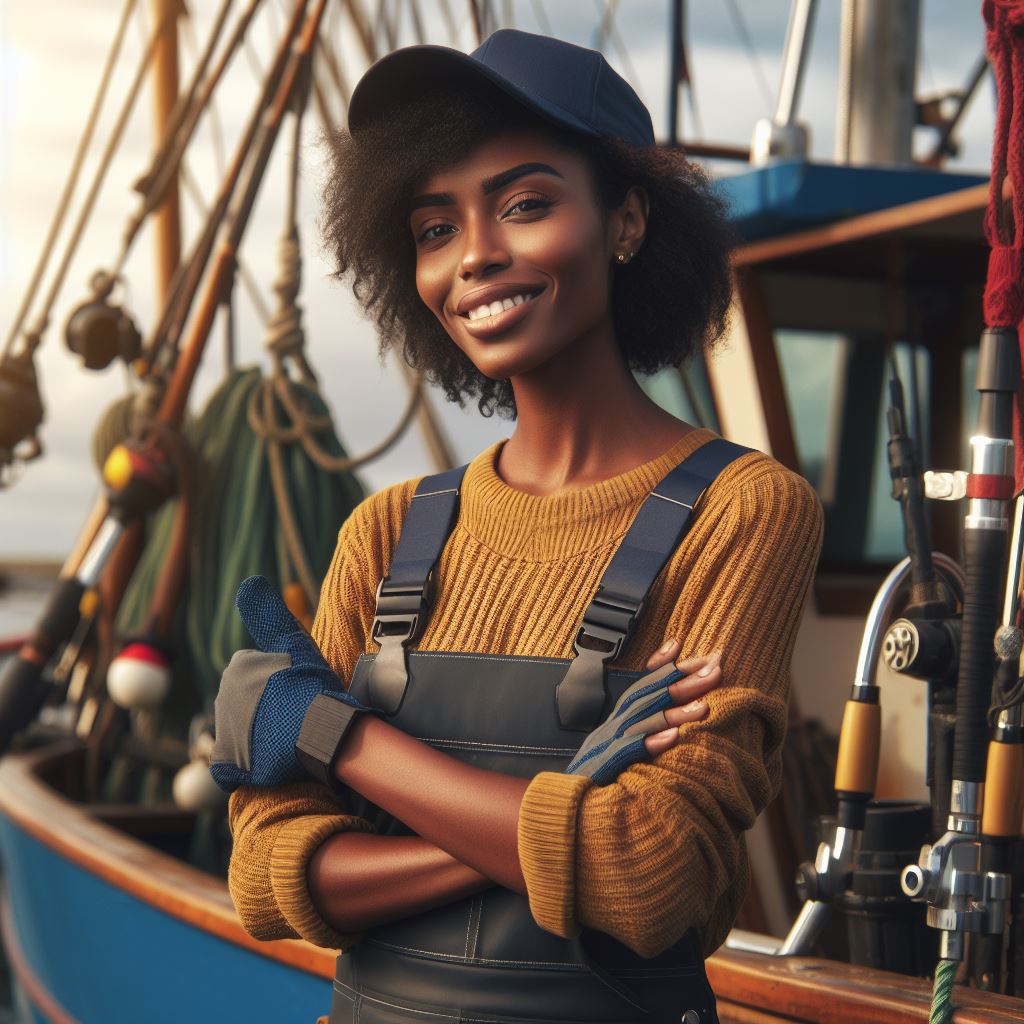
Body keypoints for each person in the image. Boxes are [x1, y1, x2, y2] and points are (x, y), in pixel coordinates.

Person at [216, 28, 823, 1024]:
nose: (475, 257)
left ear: (626, 221)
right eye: (432, 229)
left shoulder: (742, 509)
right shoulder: (386, 529)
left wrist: (340, 737)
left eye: (525, 205)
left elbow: (649, 872)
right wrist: (557, 819)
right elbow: (267, 872)